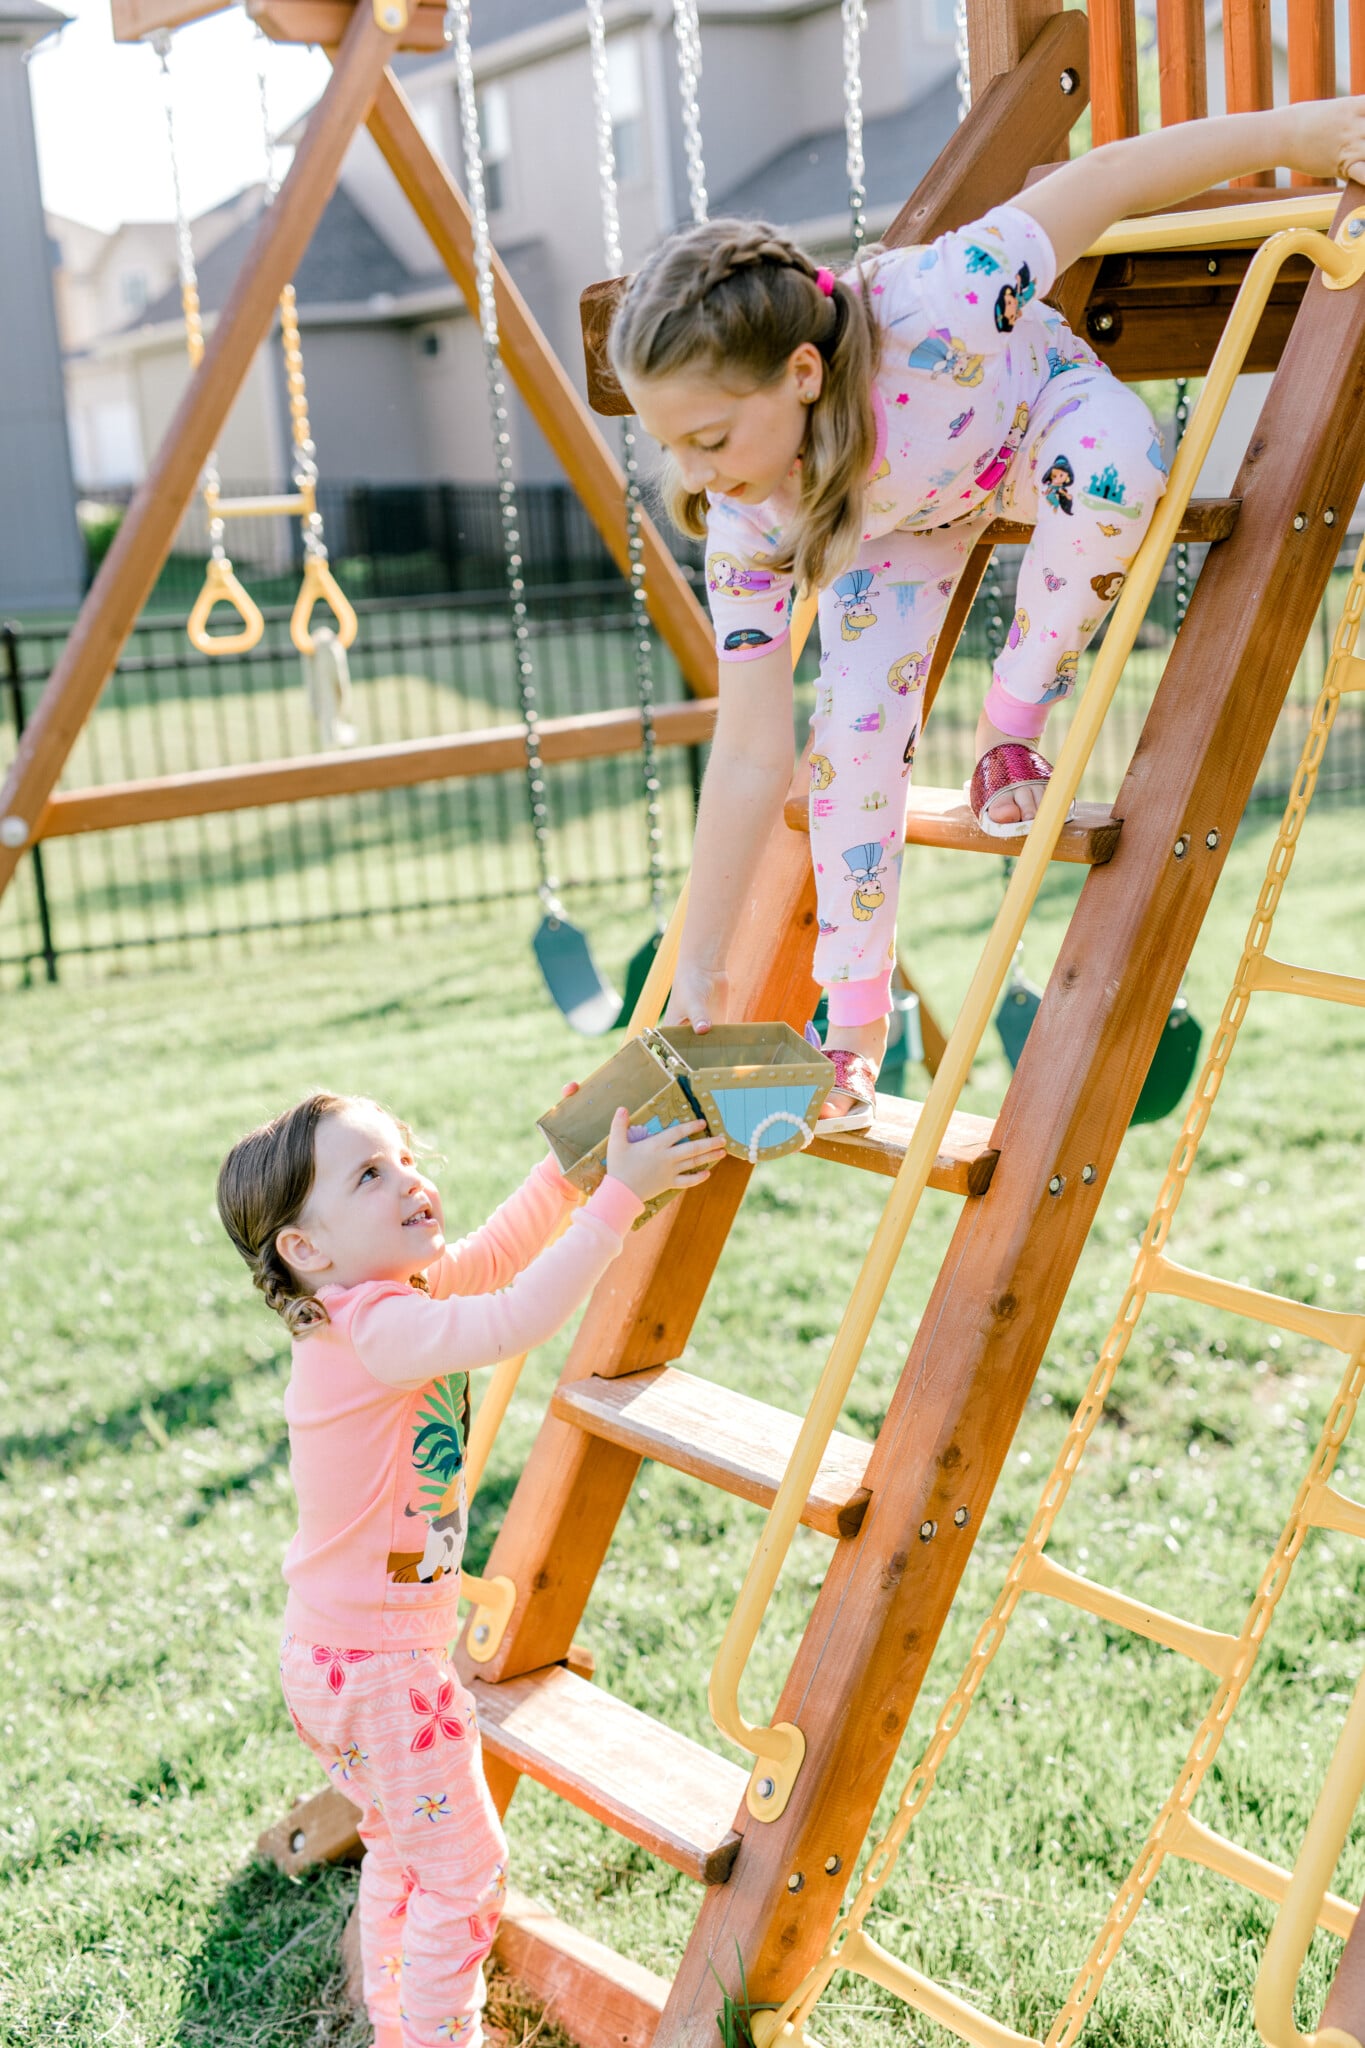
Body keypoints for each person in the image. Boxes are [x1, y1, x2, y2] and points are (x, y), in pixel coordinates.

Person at [609, 98, 1365, 1132]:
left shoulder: (942, 298)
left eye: (707, 438)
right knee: (849, 744)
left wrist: (1302, 136)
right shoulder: (749, 523)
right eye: (670, 445)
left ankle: (1010, 726)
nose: (692, 476)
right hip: (894, 529)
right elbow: (748, 754)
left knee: (1117, 466)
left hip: (1026, 418)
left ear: (800, 372)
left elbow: (1109, 180)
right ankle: (855, 1030)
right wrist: (698, 957)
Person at [216, 1090, 723, 2048]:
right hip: (383, 1672)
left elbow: (490, 1259)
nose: (410, 1178)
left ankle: (397, 2024)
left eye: (406, 1156)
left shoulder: (374, 1306)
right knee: (466, 1872)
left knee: (401, 1850)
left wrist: (565, 1175)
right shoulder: (377, 1333)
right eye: (371, 1174)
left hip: (335, 1659)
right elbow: (512, 1316)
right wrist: (615, 1200)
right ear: (306, 1249)